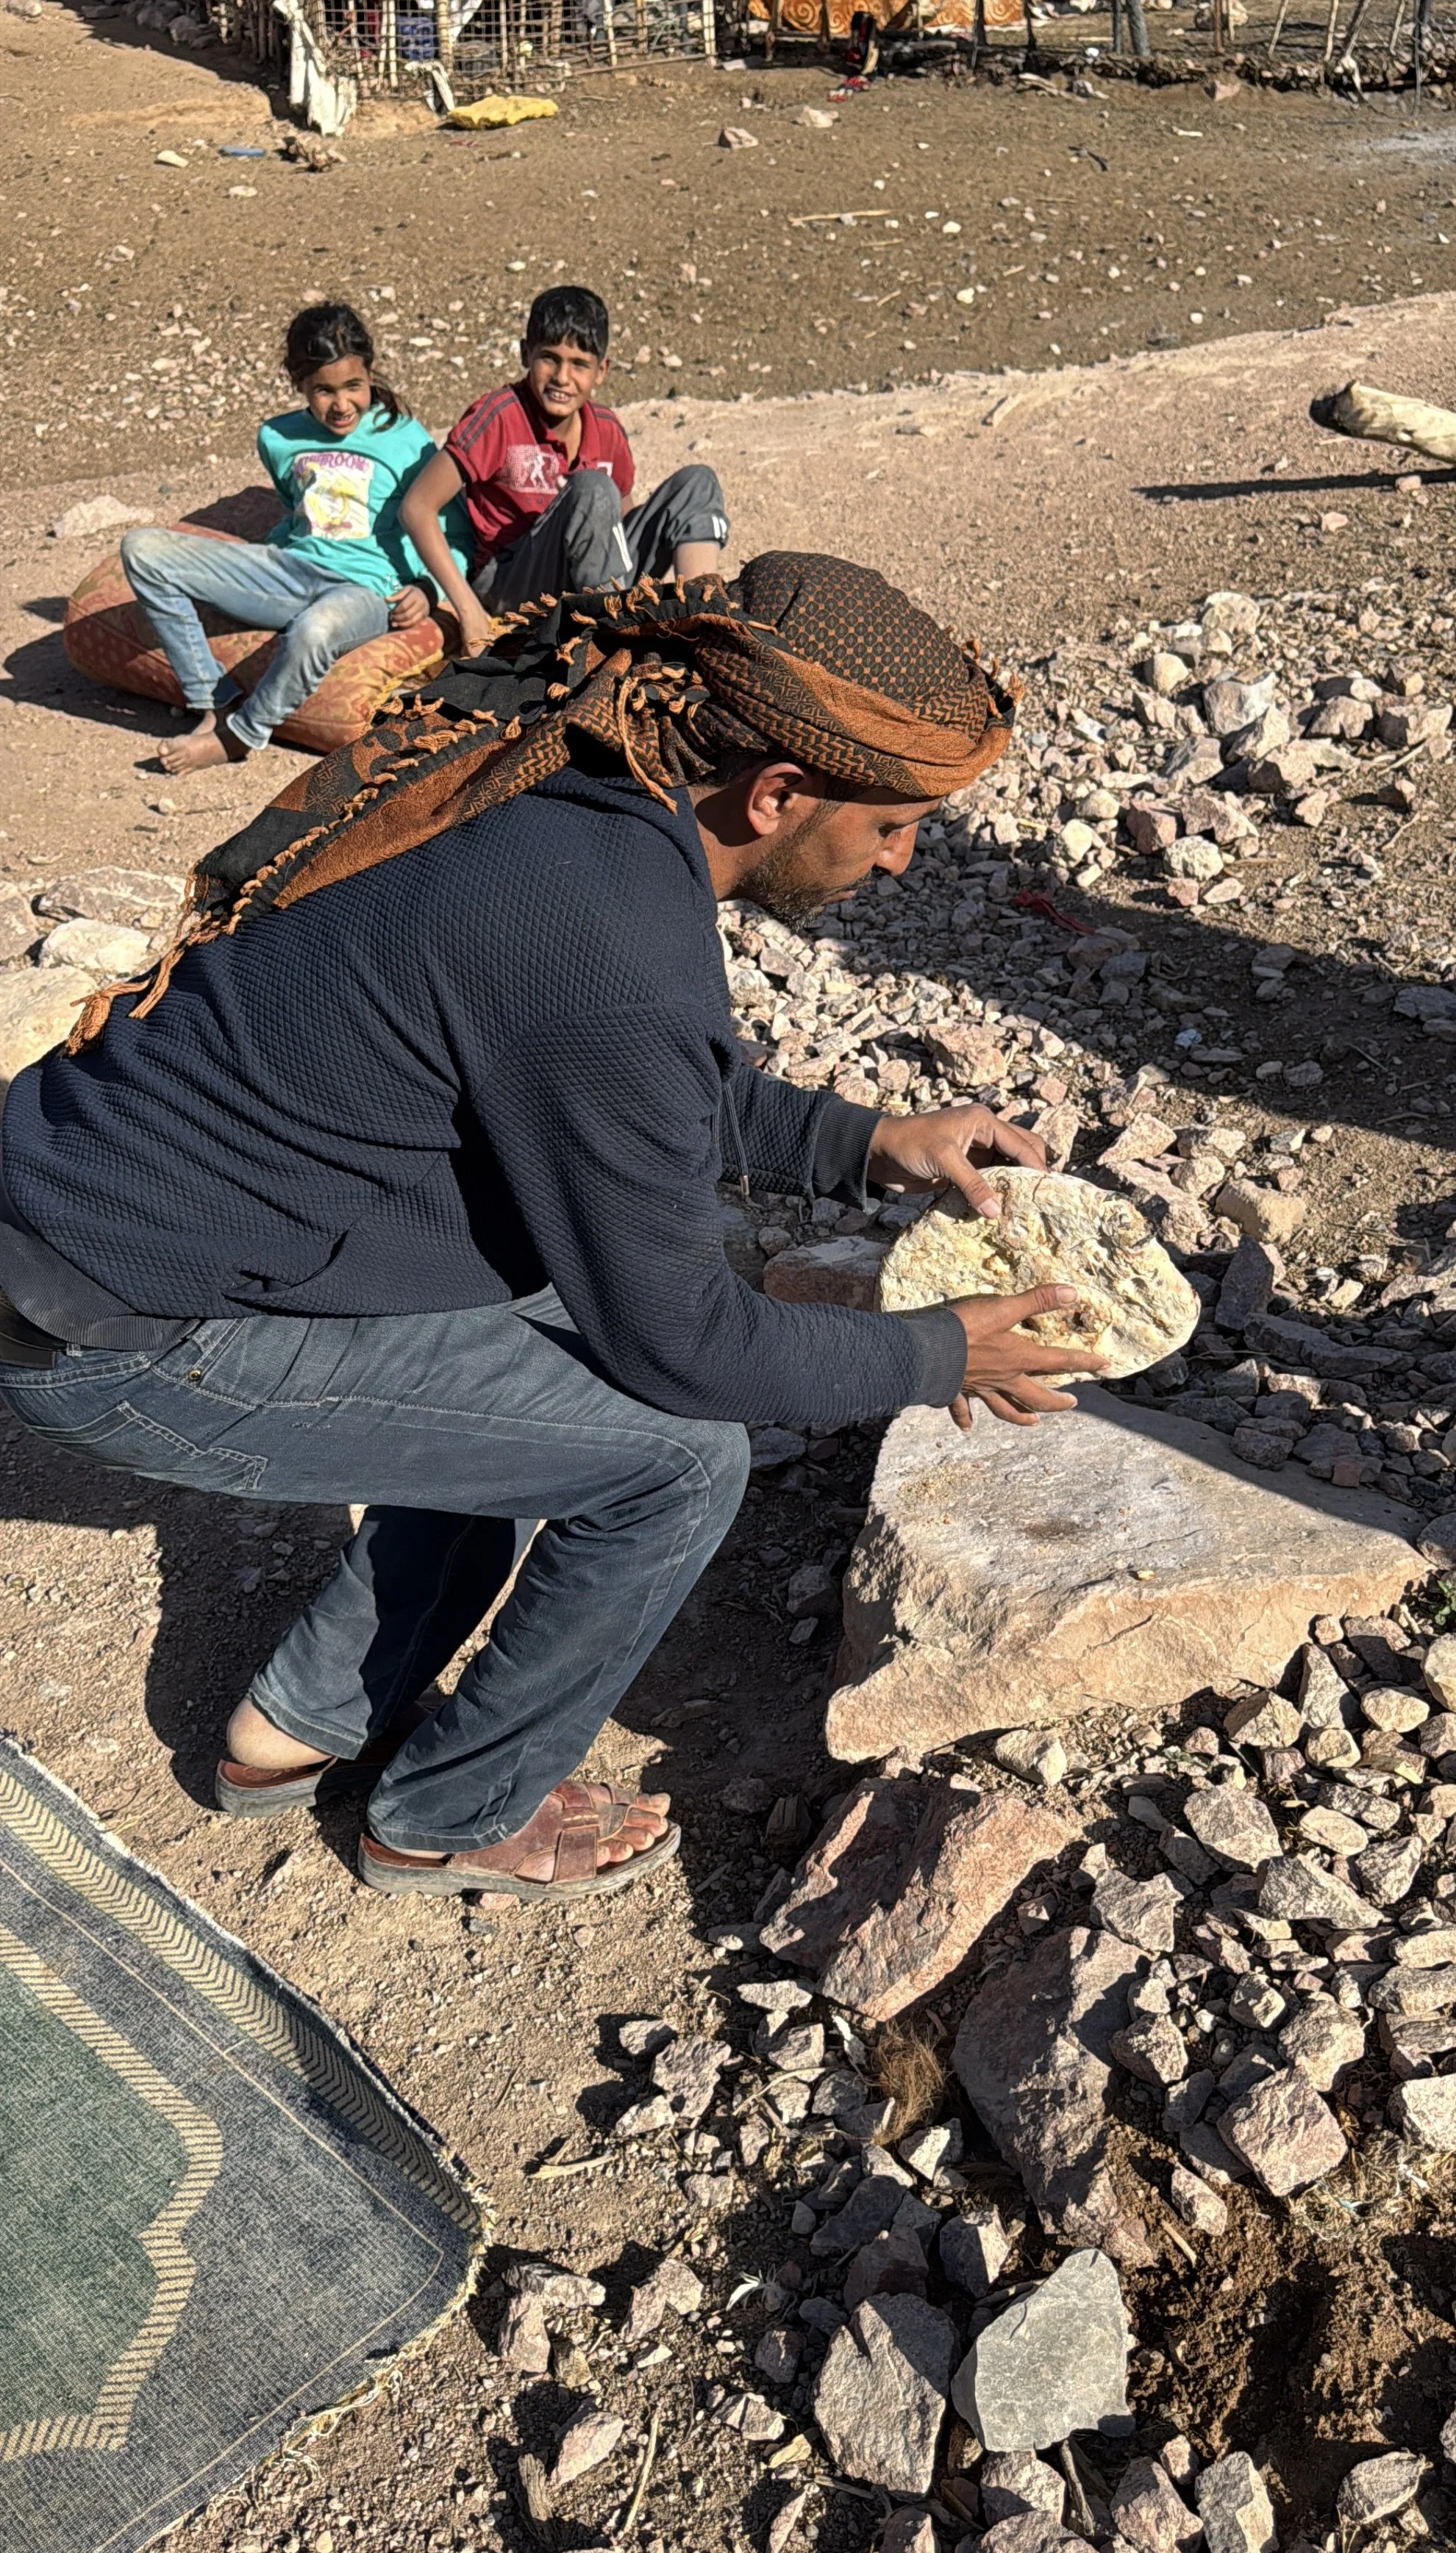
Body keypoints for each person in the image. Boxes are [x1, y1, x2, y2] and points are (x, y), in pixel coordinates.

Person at [0, 552, 1102, 1911]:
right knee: (675, 1459)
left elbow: (619, 1079)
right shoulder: (610, 940)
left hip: (88, 1209)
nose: (899, 858)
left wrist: (863, 1141)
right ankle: (447, 1819)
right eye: (893, 826)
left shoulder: (561, 782)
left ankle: (300, 1725)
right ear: (775, 793)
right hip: (111, 1330)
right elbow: (688, 1346)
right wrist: (937, 1355)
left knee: (557, 1325)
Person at [120, 302, 465, 775]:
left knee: (315, 630)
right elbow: (297, 506)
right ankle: (213, 700)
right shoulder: (277, 438)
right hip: (290, 572)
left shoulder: (404, 439)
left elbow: (455, 531)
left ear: (370, 374)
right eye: (324, 390)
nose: (341, 405)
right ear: (298, 383)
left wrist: (428, 588)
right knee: (142, 549)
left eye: (353, 386)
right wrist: (264, 559)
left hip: (365, 591)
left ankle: (241, 735)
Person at [399, 283, 728, 660]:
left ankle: (702, 623)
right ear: (526, 353)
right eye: (549, 359)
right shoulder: (500, 416)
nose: (562, 377)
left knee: (698, 481)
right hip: (512, 581)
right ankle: (612, 644)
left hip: (596, 580)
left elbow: (619, 526)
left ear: (601, 371)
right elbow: (417, 507)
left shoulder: (606, 428)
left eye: (579, 365)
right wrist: (469, 610)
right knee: (592, 488)